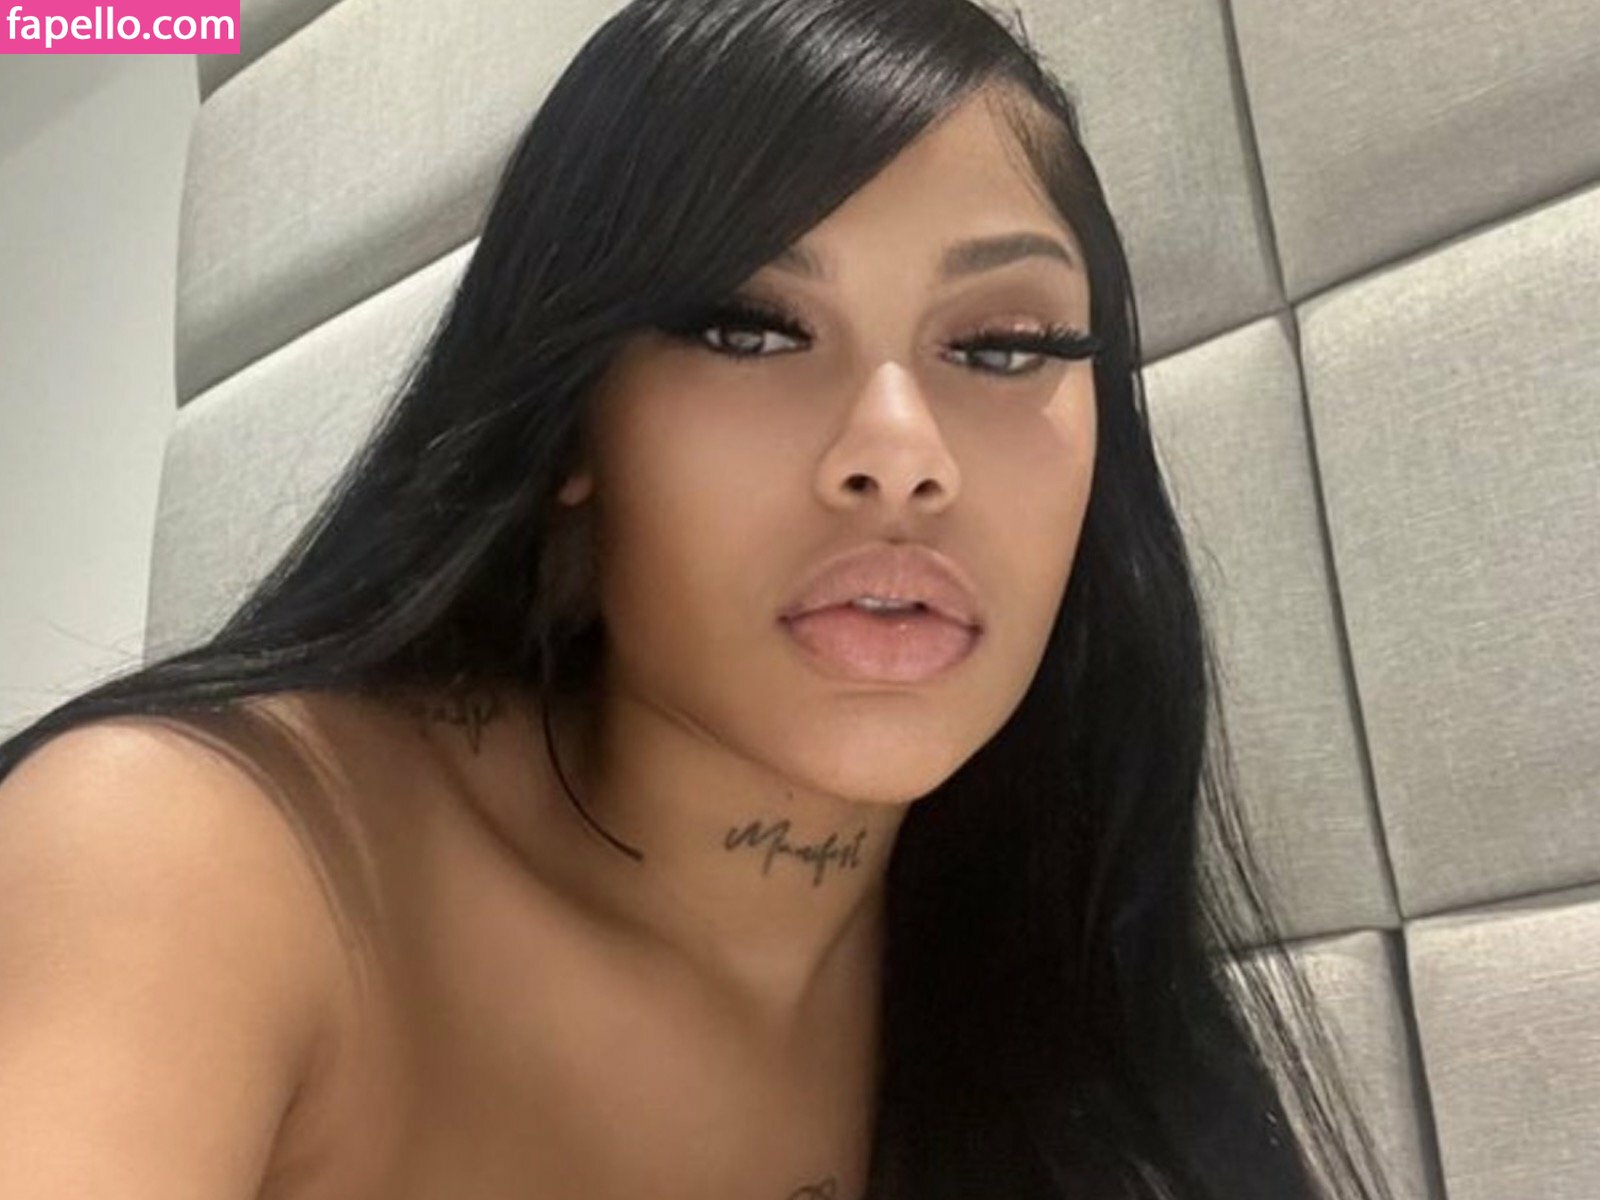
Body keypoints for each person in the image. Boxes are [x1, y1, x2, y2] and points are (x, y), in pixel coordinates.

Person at [0, 1, 1400, 1198]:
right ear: (573, 423)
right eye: (751, 329)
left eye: (1001, 344)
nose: (898, 453)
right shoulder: (202, 857)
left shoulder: (1060, 979)